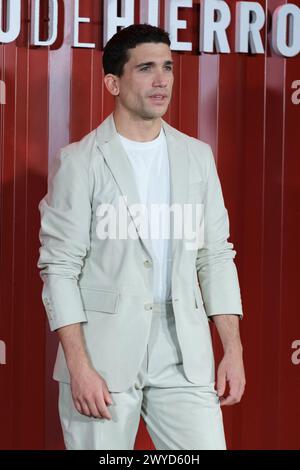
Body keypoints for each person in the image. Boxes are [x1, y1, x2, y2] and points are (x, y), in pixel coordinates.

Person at [37, 23, 246, 450]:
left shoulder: (197, 157)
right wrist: (79, 365)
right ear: (113, 82)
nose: (161, 80)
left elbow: (216, 257)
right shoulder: (79, 162)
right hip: (102, 354)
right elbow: (59, 267)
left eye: (167, 67)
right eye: (146, 68)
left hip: (184, 352)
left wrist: (233, 349)